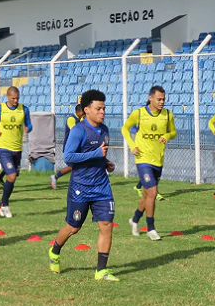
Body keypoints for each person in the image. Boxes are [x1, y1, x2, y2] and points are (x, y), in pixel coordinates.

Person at [48, 90, 118, 281]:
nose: (102, 112)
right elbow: (69, 157)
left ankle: (101, 271)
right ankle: (54, 251)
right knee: (73, 227)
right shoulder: (78, 130)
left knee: (106, 225)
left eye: (104, 108)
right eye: (98, 108)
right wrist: (96, 154)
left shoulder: (105, 130)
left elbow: (100, 154)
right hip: (80, 187)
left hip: (102, 186)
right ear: (86, 110)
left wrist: (106, 163)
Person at [122, 86, 176, 241]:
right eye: (159, 99)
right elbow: (125, 129)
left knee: (147, 195)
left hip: (158, 160)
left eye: (164, 99)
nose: (162, 102)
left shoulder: (167, 115)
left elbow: (173, 132)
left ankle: (135, 219)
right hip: (142, 159)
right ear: (150, 98)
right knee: (152, 192)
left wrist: (167, 135)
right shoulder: (139, 113)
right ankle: (151, 228)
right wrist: (132, 145)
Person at [0, 86, 33, 218]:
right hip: (3, 147)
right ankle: (4, 205)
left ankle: (2, 205)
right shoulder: (0, 108)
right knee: (11, 175)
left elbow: (29, 124)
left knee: (14, 176)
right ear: (7, 96)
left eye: (17, 98)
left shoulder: (24, 109)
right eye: (13, 98)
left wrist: (28, 128)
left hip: (17, 148)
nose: (15, 100)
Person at [50, 104, 84, 190]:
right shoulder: (71, 119)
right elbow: (75, 131)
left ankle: (77, 185)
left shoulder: (81, 119)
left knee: (79, 166)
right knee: (73, 167)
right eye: (83, 112)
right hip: (69, 147)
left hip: (78, 147)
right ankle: (55, 177)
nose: (84, 113)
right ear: (79, 111)